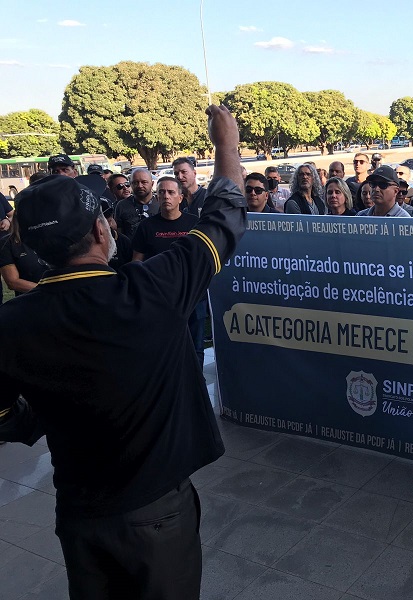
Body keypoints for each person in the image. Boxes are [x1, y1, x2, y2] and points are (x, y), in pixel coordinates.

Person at [0, 103, 246, 600]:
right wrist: (226, 145)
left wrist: (41, 415)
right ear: (100, 230)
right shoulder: (152, 287)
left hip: (79, 516)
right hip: (156, 515)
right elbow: (225, 221)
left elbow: (5, 415)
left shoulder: (12, 323)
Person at [131, 177, 199, 261]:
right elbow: (137, 260)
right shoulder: (146, 226)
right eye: (162, 192)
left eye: (171, 192)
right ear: (157, 198)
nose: (166, 196)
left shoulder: (194, 222)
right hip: (155, 273)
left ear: (180, 198)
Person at [0, 216, 47, 296]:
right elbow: (12, 282)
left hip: (60, 300)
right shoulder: (7, 243)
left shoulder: (51, 238)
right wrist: (47, 290)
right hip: (31, 300)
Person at [114, 168, 160, 238]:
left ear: (152, 184)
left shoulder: (162, 202)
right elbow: (120, 235)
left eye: (144, 182)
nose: (140, 186)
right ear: (131, 184)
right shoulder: (122, 205)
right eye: (135, 182)